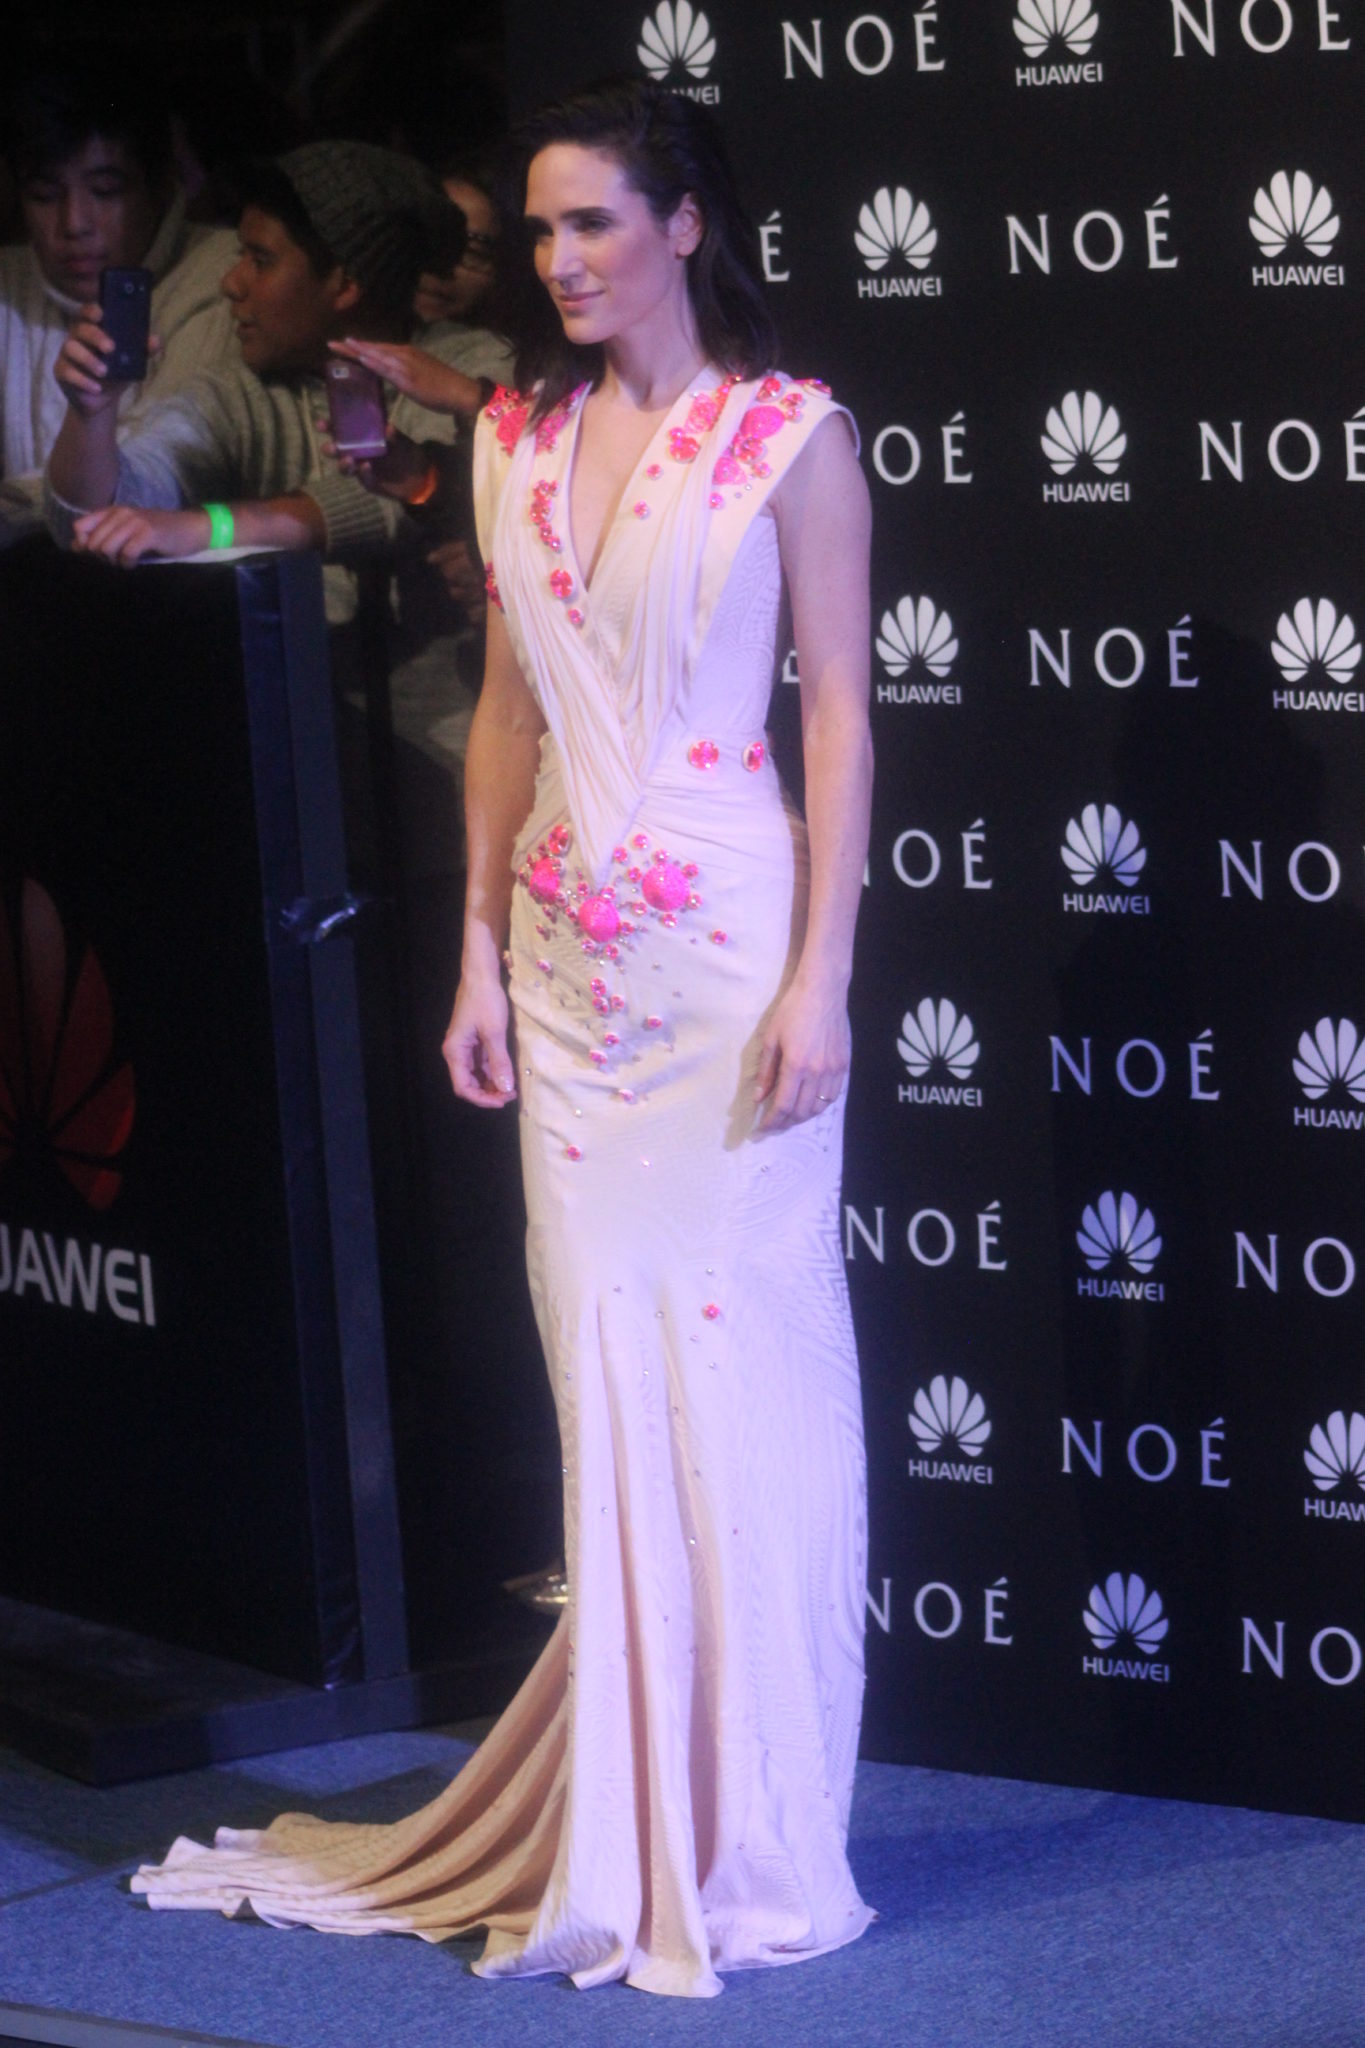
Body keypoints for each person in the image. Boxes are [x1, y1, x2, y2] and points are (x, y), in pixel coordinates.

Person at [129, 79, 875, 2000]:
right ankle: (627, 1809)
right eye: (540, 230)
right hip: (561, 975)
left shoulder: (791, 437)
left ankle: (753, 1818)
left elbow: (841, 719)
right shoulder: (518, 441)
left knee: (748, 1382)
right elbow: (509, 720)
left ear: (685, 225)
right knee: (601, 1385)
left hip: (729, 963)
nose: (559, 259)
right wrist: (471, 952)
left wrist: (824, 975)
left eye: (593, 222)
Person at [43, 140, 466, 585]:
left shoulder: (462, 370)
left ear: (345, 285)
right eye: (239, 255)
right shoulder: (240, 392)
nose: (230, 283)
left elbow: (413, 492)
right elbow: (96, 520)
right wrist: (91, 415)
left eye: (260, 261)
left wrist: (208, 528)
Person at [0, 58, 237, 536]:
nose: (74, 224)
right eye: (45, 196)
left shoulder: (226, 279)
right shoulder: (9, 283)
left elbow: (145, 483)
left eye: (105, 191)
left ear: (160, 185)